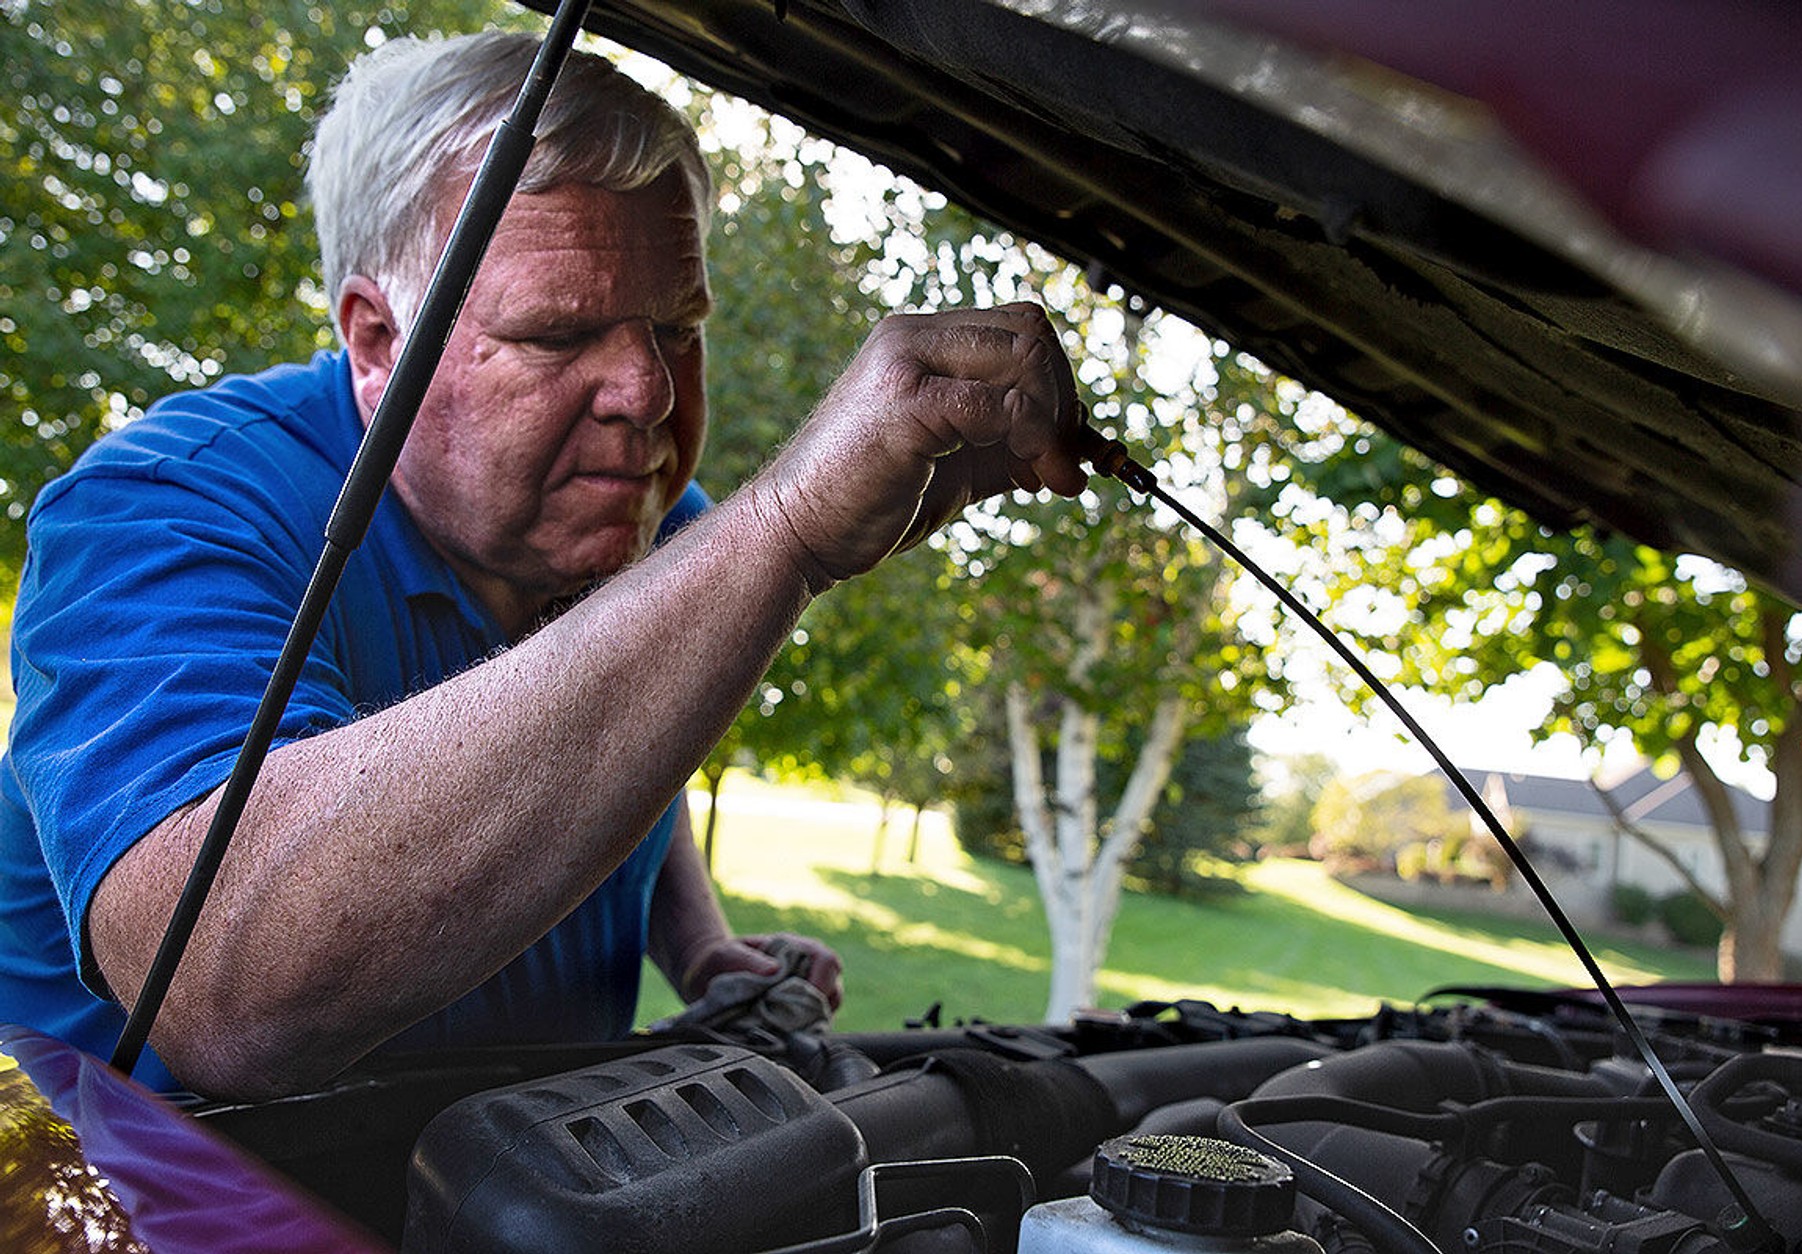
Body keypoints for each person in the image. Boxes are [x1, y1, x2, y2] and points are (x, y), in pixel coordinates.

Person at [0, 30, 1089, 1100]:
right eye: (558, 336)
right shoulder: (161, 512)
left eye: (678, 326)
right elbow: (224, 995)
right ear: (377, 341)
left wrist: (700, 947)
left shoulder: (660, 524)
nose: (649, 395)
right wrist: (781, 534)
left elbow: (610, 726)